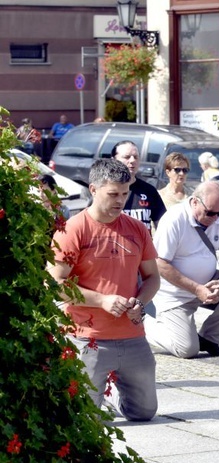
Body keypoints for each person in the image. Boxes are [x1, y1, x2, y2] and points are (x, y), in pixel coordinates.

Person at [48, 158, 160, 421]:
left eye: (124, 193)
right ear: (93, 189)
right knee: (86, 420)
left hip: (132, 335)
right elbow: (54, 284)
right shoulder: (73, 229)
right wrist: (101, 301)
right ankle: (97, 398)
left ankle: (108, 397)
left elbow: (152, 277)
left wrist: (140, 303)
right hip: (88, 338)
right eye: (113, 194)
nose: (120, 201)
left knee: (144, 412)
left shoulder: (136, 229)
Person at [146, 181, 219, 358]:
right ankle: (143, 324)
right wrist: (196, 289)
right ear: (194, 202)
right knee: (187, 350)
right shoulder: (174, 219)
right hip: (175, 296)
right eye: (210, 213)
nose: (215, 218)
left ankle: (209, 338)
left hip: (209, 285)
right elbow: (160, 263)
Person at [112, 140, 166, 232]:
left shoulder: (149, 190)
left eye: (136, 157)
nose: (132, 161)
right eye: (127, 157)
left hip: (143, 245)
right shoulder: (106, 190)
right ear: (114, 160)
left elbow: (163, 226)